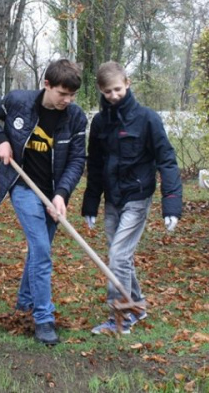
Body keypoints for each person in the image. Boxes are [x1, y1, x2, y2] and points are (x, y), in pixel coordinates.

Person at [0, 59, 87, 345]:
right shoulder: (18, 102)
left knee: (41, 250)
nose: (67, 100)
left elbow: (76, 160)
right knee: (41, 249)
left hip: (54, 193)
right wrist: (0, 138)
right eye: (62, 93)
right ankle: (43, 317)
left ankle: (25, 300)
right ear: (46, 84)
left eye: (72, 95)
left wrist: (61, 194)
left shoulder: (75, 118)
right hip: (23, 186)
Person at [81, 61, 182, 335]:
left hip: (137, 197)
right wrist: (91, 204)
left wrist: (171, 205)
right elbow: (97, 165)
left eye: (117, 89)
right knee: (120, 257)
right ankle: (136, 306)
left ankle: (120, 319)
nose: (113, 95)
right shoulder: (100, 123)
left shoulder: (147, 119)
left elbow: (167, 161)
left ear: (127, 83)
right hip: (113, 199)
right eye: (107, 91)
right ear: (101, 90)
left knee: (117, 257)